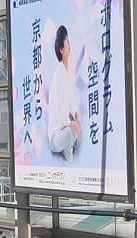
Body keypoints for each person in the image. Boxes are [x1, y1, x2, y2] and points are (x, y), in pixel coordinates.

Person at [47, 26, 82, 162]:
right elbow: (60, 108)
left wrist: (76, 112)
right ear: (61, 49)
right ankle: (71, 149)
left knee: (76, 129)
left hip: (64, 132)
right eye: (66, 41)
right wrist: (71, 123)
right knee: (71, 132)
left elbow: (69, 100)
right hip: (56, 137)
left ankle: (70, 155)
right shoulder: (59, 73)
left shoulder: (66, 73)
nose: (69, 43)